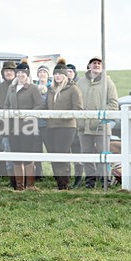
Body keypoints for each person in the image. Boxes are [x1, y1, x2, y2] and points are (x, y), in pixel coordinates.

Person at [77, 56, 119, 189]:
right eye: (94, 63)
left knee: (103, 155)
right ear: (89, 66)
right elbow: (77, 103)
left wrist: (99, 117)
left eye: (99, 63)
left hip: (101, 126)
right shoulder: (80, 82)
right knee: (86, 155)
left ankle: (105, 181)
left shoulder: (108, 83)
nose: (96, 65)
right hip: (84, 126)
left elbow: (113, 104)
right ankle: (90, 182)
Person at [3, 62, 44, 190]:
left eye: (23, 73)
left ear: (27, 74)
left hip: (28, 127)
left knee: (27, 155)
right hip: (13, 127)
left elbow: (39, 105)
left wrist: (29, 115)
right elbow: (6, 105)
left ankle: (30, 185)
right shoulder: (11, 88)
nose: (20, 75)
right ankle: (19, 186)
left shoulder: (33, 88)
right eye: (19, 72)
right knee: (16, 156)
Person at [45, 62, 83, 190]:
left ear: (65, 75)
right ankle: (59, 182)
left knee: (62, 153)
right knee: (54, 154)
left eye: (60, 74)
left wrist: (63, 115)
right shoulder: (50, 90)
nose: (57, 76)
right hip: (51, 126)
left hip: (67, 127)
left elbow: (78, 109)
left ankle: (64, 184)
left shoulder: (73, 89)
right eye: (55, 74)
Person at [0, 61, 18, 186]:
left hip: (21, 126)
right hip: (4, 126)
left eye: (11, 70)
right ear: (3, 73)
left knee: (19, 154)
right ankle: (11, 180)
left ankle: (21, 180)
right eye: (6, 70)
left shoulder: (20, 86)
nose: (9, 72)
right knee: (7, 152)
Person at [65, 63, 83, 188]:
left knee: (77, 152)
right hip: (66, 125)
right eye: (66, 72)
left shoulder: (78, 86)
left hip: (77, 125)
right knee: (67, 151)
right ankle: (68, 178)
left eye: (70, 72)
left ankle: (78, 178)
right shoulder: (62, 86)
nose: (68, 74)